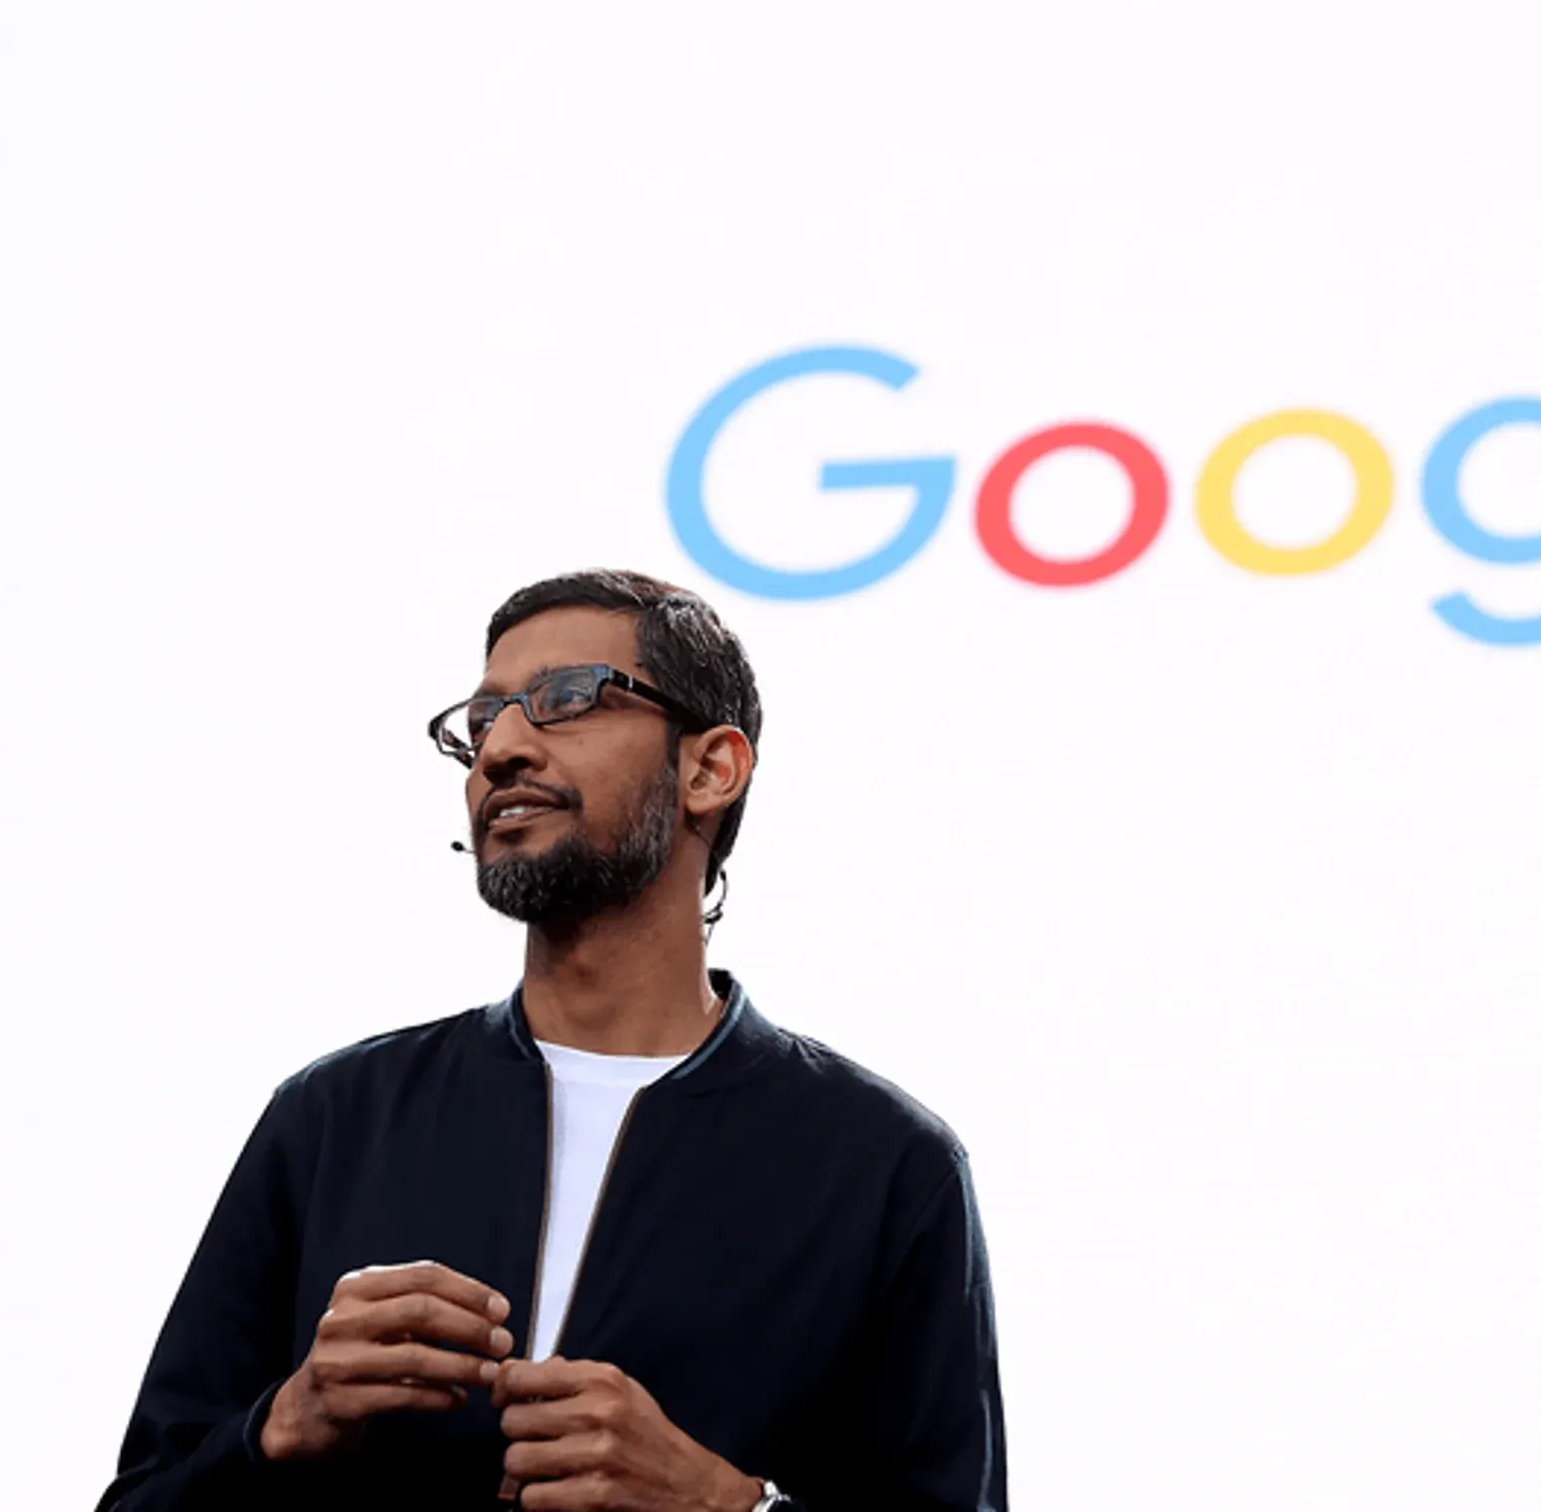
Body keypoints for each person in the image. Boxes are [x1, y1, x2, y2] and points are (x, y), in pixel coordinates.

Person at [99, 570, 1006, 1512]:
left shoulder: (882, 1164)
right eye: (481, 722)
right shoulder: (335, 1119)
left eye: (567, 698)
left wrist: (730, 1508)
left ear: (710, 769)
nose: (500, 749)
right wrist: (280, 1428)